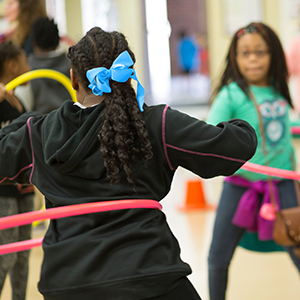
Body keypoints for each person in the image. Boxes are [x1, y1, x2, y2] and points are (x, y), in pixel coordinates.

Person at [0, 27, 257, 300]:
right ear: (128, 76)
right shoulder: (157, 125)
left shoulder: (38, 133)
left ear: (73, 78)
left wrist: (20, 118)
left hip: (68, 283)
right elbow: (237, 146)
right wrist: (238, 112)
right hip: (149, 277)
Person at [206, 22, 300, 300]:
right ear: (234, 58)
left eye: (261, 52)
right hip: (241, 186)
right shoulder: (231, 95)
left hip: (283, 184)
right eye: (245, 53)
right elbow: (209, 133)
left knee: (297, 251)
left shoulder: (279, 89)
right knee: (218, 257)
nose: (253, 59)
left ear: (274, 56)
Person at [0, 41, 34, 300]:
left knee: (23, 257)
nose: (28, 68)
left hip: (24, 189)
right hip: (4, 193)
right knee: (5, 256)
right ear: (12, 65)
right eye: (24, 62)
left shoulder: (16, 103)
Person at [27, 17, 71, 114]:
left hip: (40, 124)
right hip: (71, 121)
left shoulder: (27, 68)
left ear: (34, 41)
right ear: (58, 40)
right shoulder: (72, 64)